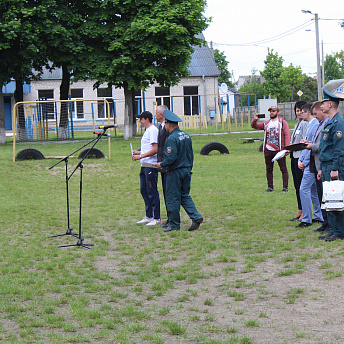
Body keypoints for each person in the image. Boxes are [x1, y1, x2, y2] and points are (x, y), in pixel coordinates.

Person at [154, 110, 203, 232]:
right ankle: (196, 216)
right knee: (184, 195)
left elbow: (171, 157)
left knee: (172, 197)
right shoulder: (186, 136)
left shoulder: (171, 138)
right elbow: (190, 154)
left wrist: (161, 164)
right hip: (186, 170)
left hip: (175, 171)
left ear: (169, 124)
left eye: (165, 124)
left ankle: (174, 224)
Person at [317, 88, 344, 241]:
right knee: (329, 199)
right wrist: (321, 168)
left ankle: (339, 231)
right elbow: (324, 148)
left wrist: (335, 168)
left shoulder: (338, 123)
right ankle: (333, 229)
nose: (322, 105)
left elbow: (339, 149)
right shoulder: (329, 122)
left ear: (331, 104)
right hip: (326, 165)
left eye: (324, 102)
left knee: (337, 198)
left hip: (334, 166)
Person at [302, 101, 329, 232]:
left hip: (322, 163)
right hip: (317, 164)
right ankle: (324, 221)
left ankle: (326, 222)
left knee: (322, 194)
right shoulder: (320, 124)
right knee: (318, 193)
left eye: (316, 113)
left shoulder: (327, 124)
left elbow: (324, 145)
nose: (315, 116)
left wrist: (310, 146)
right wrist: (309, 143)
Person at [251, 106, 291, 193]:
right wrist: (255, 120)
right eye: (270, 111)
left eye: (273, 111)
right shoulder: (266, 123)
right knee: (269, 169)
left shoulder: (282, 123)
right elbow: (254, 126)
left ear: (278, 112)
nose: (271, 112)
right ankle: (270, 187)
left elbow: (287, 134)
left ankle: (285, 187)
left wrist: (287, 148)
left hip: (279, 150)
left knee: (283, 168)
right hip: (268, 150)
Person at [296, 102, 323, 228]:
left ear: (308, 112)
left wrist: (304, 161)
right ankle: (318, 215)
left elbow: (311, 146)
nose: (300, 114)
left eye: (302, 112)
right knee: (313, 190)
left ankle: (306, 218)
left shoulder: (314, 125)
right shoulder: (310, 124)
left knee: (304, 189)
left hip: (311, 162)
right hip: (309, 161)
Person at [132, 111, 161, 226]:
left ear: (147, 119)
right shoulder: (147, 131)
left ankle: (157, 218)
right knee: (144, 190)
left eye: (141, 119)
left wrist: (140, 156)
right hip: (144, 165)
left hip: (150, 165)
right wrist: (138, 152)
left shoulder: (153, 131)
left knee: (151, 191)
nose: (140, 122)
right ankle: (149, 215)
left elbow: (155, 149)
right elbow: (148, 148)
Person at [289, 100, 308, 221]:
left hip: (301, 157)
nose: (299, 112)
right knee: (297, 185)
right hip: (294, 156)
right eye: (297, 110)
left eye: (301, 110)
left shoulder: (305, 124)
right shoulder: (297, 124)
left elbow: (305, 142)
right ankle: (300, 209)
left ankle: (305, 212)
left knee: (302, 186)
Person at [155, 105, 170, 228]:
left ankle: (172, 218)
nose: (155, 116)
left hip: (167, 165)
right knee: (165, 192)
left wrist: (164, 163)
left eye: (156, 113)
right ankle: (170, 217)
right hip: (161, 165)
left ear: (162, 115)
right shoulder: (160, 127)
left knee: (169, 192)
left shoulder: (168, 127)